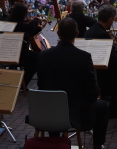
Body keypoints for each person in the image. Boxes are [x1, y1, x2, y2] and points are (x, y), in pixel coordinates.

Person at [37, 18, 109, 149]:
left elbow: (41, 85)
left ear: (58, 34)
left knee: (54, 102)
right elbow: (92, 92)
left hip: (48, 111)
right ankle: (98, 145)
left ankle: (55, 140)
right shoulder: (84, 57)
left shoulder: (43, 55)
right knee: (103, 106)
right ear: (77, 33)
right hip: (76, 113)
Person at [84, 5, 117, 118]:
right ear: (110, 20)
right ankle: (115, 109)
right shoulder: (103, 34)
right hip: (102, 74)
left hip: (91, 70)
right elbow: (114, 61)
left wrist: (113, 44)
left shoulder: (92, 30)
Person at [8, 3, 41, 85]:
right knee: (37, 58)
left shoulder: (14, 22)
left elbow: (28, 34)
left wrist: (39, 28)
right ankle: (24, 82)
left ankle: (23, 81)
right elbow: (29, 28)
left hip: (18, 52)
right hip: (17, 54)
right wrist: (36, 20)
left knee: (35, 57)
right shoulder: (17, 24)